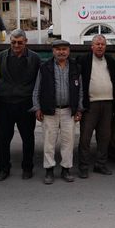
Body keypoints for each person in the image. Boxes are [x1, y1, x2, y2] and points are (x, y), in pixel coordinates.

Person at [32, 39, 84, 184]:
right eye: (58, 49)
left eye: (64, 49)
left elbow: (80, 90)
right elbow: (37, 89)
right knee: (49, 142)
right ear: (53, 51)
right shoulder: (45, 67)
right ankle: (49, 170)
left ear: (69, 51)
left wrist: (79, 109)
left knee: (68, 142)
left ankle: (66, 170)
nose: (61, 52)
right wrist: (37, 107)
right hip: (50, 111)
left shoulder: (75, 67)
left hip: (69, 110)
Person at [0, 29, 41, 181]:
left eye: (20, 42)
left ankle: (27, 168)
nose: (16, 45)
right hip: (5, 104)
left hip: (25, 104)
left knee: (28, 138)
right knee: (3, 139)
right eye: (13, 42)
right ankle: (3, 168)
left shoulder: (34, 58)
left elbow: (38, 81)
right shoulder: (2, 57)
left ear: (26, 42)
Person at [76, 34, 115, 178]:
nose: (100, 46)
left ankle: (100, 165)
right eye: (97, 44)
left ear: (105, 46)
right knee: (85, 138)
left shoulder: (110, 61)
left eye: (103, 44)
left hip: (108, 103)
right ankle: (83, 166)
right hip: (90, 105)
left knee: (104, 137)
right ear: (92, 46)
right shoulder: (83, 60)